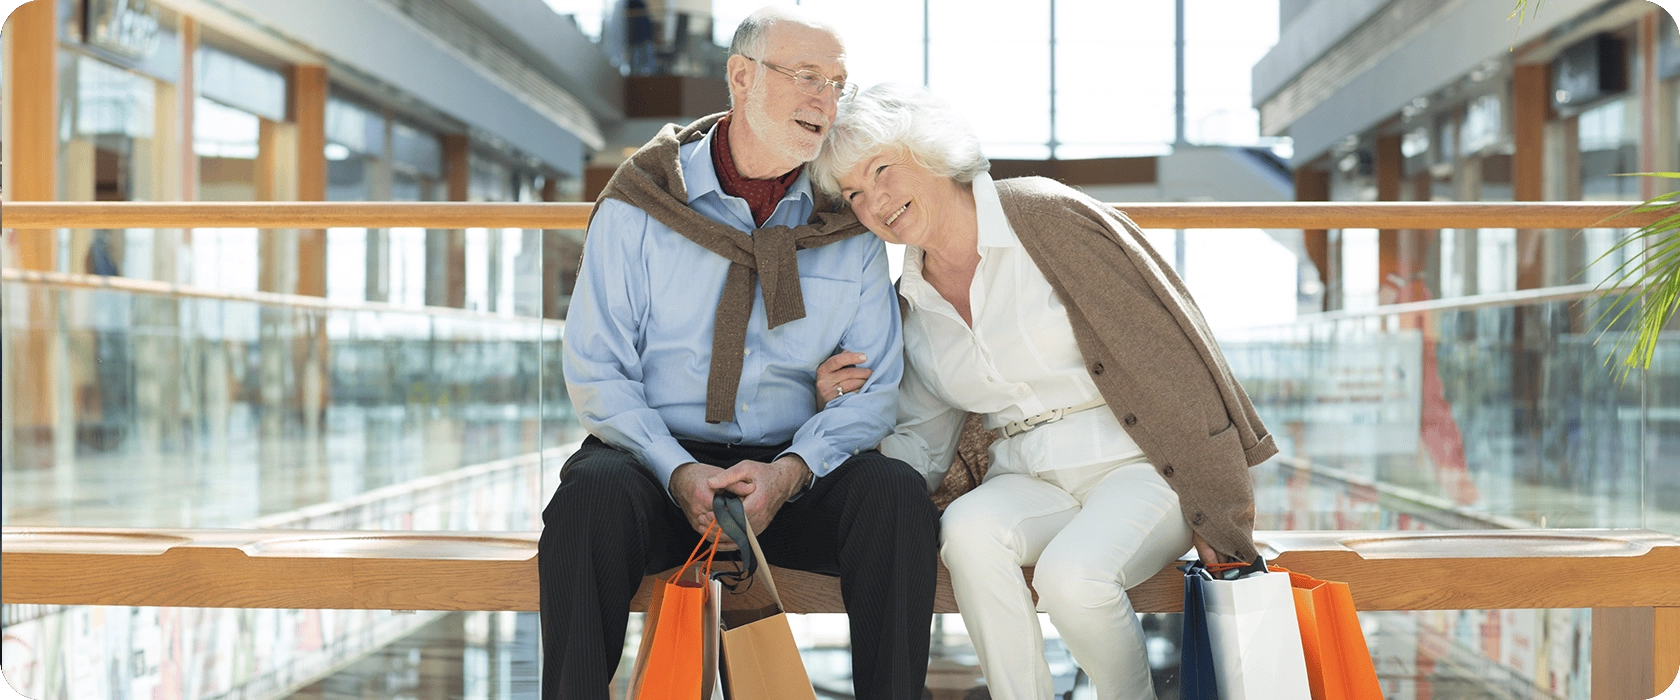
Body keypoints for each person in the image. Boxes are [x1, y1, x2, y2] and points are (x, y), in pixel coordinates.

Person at [809, 83, 1276, 700]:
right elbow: (921, 440)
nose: (875, 202)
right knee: (969, 531)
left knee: (1072, 577)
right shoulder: (910, 302)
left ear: (930, 151)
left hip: (1139, 465)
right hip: (1025, 474)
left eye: (882, 169)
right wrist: (840, 415)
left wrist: (1223, 501)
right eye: (854, 193)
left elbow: (1172, 354)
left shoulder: (1043, 216)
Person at [538, 9, 939, 700]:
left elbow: (875, 388)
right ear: (741, 76)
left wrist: (789, 473)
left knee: (895, 494)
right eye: (807, 77)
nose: (827, 100)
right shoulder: (641, 203)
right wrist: (678, 470)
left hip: (791, 477)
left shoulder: (849, 225)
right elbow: (597, 371)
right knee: (588, 499)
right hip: (656, 472)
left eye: (839, 84)